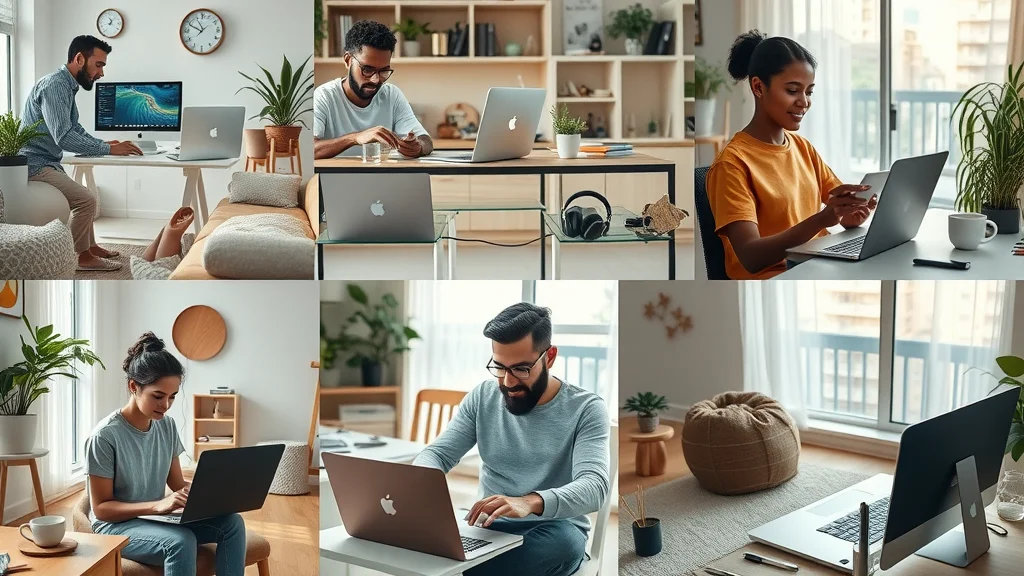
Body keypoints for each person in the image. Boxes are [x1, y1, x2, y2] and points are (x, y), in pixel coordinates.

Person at [413, 303, 610, 576]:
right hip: (488, 527)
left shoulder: (586, 409)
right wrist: (420, 483)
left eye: (520, 369)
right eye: (499, 367)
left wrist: (528, 502)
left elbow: (594, 487)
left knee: (563, 546)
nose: (507, 381)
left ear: (549, 357)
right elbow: (439, 453)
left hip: (553, 529)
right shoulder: (482, 397)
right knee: (415, 543)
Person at [706, 30, 878, 280]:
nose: (804, 102)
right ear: (758, 87)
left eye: (809, 92)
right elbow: (751, 257)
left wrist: (850, 214)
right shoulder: (731, 165)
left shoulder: (802, 147)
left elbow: (836, 209)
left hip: (817, 267)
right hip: (778, 277)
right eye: (793, 90)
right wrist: (821, 220)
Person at [85, 333, 247, 576]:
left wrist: (213, 492)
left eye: (172, 397)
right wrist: (157, 506)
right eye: (158, 396)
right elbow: (101, 509)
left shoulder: (166, 426)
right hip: (115, 525)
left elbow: (177, 483)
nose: (166, 405)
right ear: (133, 386)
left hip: (153, 518)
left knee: (232, 523)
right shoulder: (105, 436)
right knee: (180, 541)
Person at [313, 20, 433, 159]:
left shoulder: (392, 95)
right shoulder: (324, 96)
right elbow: (310, 150)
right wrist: (355, 138)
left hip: (384, 180)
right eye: (367, 69)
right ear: (348, 60)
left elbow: (426, 140)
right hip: (337, 181)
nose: (375, 79)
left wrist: (418, 146)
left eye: (384, 71)